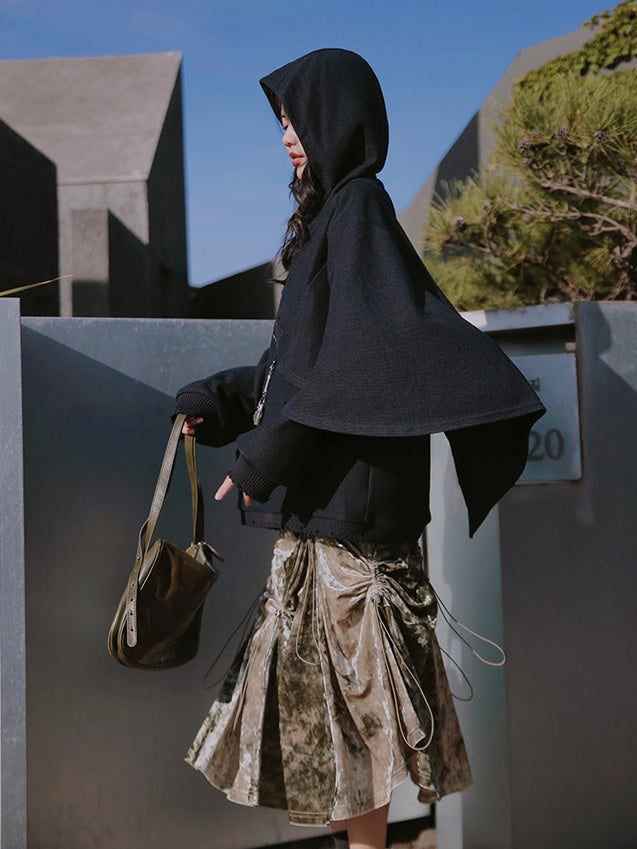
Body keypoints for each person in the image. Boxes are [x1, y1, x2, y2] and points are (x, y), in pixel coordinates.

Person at [174, 48, 545, 849]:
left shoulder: (359, 209)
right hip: (325, 519)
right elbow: (295, 369)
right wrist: (220, 402)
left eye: (296, 119)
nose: (286, 136)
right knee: (332, 724)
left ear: (337, 118)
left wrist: (263, 459)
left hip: (352, 534)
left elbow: (363, 363)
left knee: (354, 722)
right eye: (280, 123)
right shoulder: (329, 221)